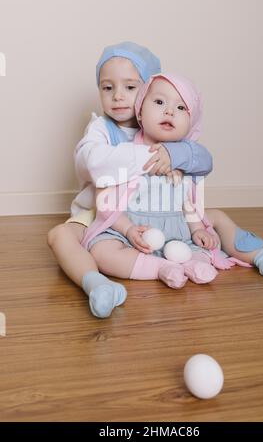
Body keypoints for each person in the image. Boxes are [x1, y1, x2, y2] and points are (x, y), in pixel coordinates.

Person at [82, 73, 263, 289]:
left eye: (181, 108)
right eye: (159, 102)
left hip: (178, 233)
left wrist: (196, 229)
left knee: (203, 244)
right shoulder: (126, 153)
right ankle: (160, 269)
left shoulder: (187, 157)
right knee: (103, 252)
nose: (169, 111)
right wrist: (128, 229)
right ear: (140, 111)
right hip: (133, 231)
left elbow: (188, 201)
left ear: (191, 121)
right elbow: (107, 199)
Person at [47, 43, 213, 318]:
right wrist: (155, 155)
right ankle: (96, 283)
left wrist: (177, 152)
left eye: (130, 87)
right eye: (107, 87)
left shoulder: (160, 123)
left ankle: (251, 254)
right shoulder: (101, 128)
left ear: (148, 91)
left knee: (212, 220)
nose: (118, 97)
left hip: (153, 213)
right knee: (59, 235)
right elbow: (93, 161)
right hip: (99, 210)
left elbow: (204, 161)